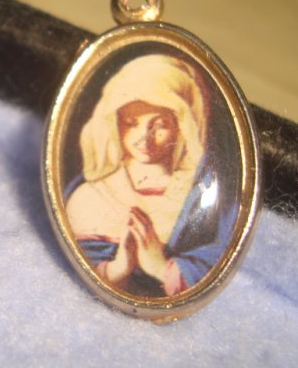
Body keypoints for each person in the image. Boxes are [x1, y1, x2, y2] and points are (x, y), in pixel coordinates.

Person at [65, 54, 235, 297]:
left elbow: (215, 263)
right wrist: (117, 268)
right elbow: (75, 271)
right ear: (116, 124)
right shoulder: (91, 195)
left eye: (160, 125)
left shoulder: (206, 198)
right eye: (131, 123)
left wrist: (161, 268)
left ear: (182, 125)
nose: (144, 138)